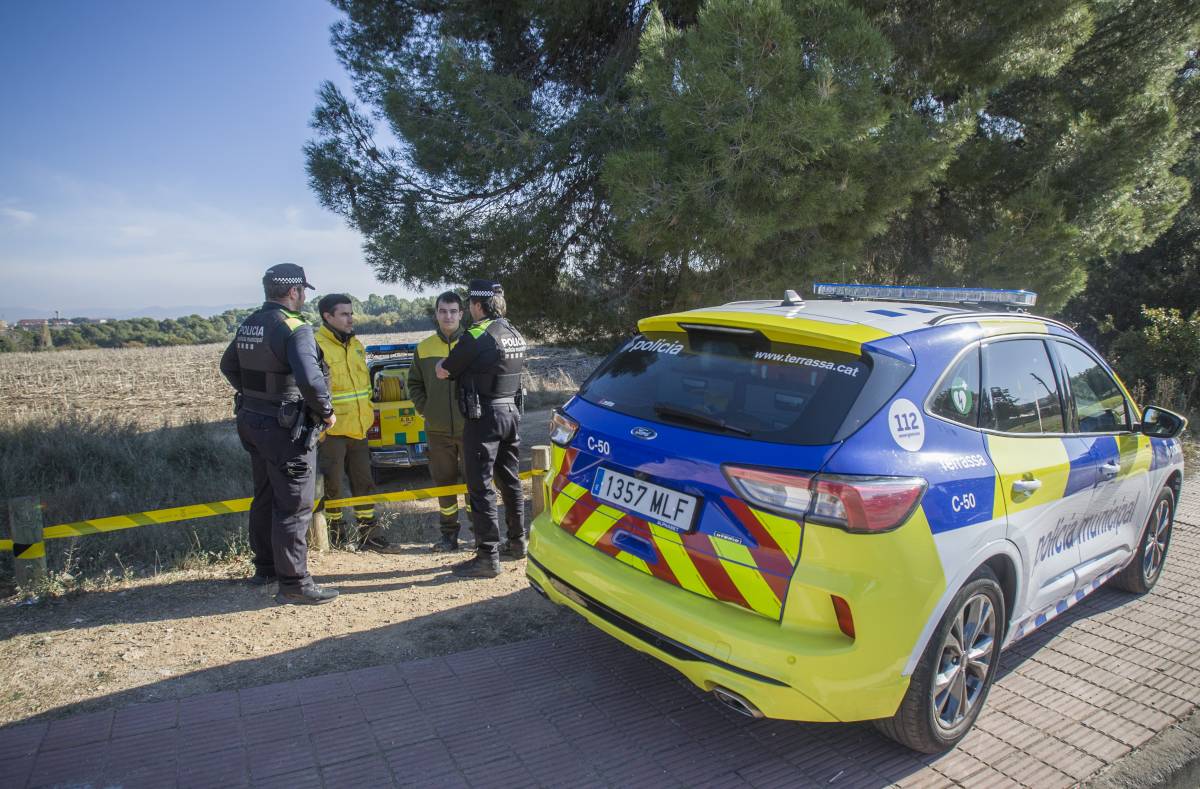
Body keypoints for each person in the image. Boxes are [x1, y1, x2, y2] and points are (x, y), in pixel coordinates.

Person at [219, 264, 339, 605]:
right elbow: (310, 379)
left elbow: (228, 366)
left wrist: (257, 395)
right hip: (286, 428)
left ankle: (267, 569)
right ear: (293, 292)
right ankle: (295, 583)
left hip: (252, 420)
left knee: (266, 495)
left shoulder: (251, 323)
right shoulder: (294, 327)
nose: (303, 298)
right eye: (302, 292)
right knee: (295, 505)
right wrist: (326, 412)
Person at [436, 279, 528, 578]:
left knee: (480, 485)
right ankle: (518, 542)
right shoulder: (514, 333)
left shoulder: (477, 334)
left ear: (477, 305)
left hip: (484, 417)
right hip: (511, 413)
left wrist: (442, 364)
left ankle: (487, 556)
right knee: (510, 480)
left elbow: (445, 370)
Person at [314, 293, 391, 551]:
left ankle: (370, 536)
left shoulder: (356, 345)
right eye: (344, 314)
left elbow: (363, 388)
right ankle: (336, 539)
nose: (351, 319)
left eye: (351, 313)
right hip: (331, 432)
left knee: (364, 484)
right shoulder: (315, 346)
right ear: (327, 316)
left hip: (359, 430)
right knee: (332, 487)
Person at [407, 290, 469, 552]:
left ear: (461, 314)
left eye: (453, 311)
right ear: (436, 314)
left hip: (470, 428)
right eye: (443, 311)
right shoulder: (424, 348)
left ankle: (481, 537)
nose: (448, 316)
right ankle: (448, 537)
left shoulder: (473, 343)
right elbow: (414, 384)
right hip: (437, 431)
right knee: (444, 485)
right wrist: (427, 410)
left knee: (475, 484)